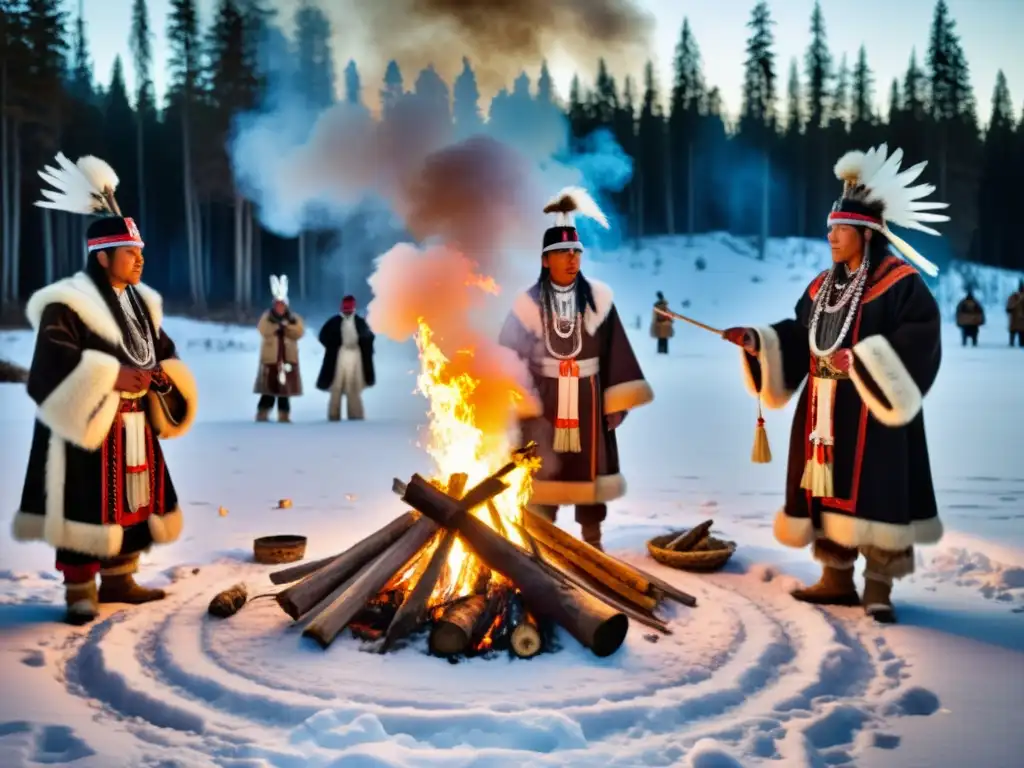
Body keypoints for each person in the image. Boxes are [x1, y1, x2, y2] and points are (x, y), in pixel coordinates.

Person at [722, 144, 948, 623]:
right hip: (822, 407)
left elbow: (921, 336)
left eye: (840, 229)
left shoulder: (900, 282)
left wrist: (864, 361)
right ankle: (836, 577)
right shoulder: (822, 286)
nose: (831, 237)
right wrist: (758, 342)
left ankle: (879, 585)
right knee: (823, 488)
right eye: (830, 229)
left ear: (865, 235)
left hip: (873, 408)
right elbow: (800, 333)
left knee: (878, 492)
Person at [11, 153, 197, 625]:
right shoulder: (67, 304)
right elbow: (50, 364)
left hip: (135, 422)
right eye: (131, 253)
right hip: (86, 426)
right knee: (83, 503)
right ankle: (79, 589)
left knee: (134, 499)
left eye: (141, 252)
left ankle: (120, 578)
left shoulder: (142, 304)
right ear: (103, 256)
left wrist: (161, 377)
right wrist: (111, 376)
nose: (140, 259)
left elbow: (164, 352)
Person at [498, 187, 654, 551]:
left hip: (589, 398)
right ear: (545, 259)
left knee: (590, 474)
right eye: (562, 253)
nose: (571, 259)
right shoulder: (527, 305)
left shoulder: (599, 301)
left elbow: (618, 353)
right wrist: (517, 401)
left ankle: (592, 543)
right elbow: (507, 356)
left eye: (576, 252)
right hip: (544, 403)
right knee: (542, 472)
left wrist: (618, 404)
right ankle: (538, 540)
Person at [316, 294, 376, 421]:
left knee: (353, 387)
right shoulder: (334, 322)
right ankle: (333, 415)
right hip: (338, 356)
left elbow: (369, 338)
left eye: (349, 308)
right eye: (346, 308)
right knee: (335, 386)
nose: (347, 311)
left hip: (356, 357)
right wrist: (332, 345)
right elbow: (322, 336)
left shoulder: (360, 322)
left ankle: (356, 416)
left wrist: (365, 345)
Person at [254, 275, 305, 423]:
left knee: (285, 390)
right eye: (277, 304)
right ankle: (262, 413)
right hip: (271, 358)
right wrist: (277, 326)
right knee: (268, 389)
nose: (279, 307)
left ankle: (284, 415)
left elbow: (299, 331)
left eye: (282, 304)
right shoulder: (267, 317)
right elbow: (263, 329)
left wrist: (287, 326)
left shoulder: (293, 318)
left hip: (287, 358)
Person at [1006, 280, 1024, 348]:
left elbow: (1008, 308)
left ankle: (1012, 343)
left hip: (1015, 318)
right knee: (1021, 332)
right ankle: (1019, 343)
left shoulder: (1013, 296)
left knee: (1014, 331)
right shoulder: (1014, 296)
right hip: (1020, 318)